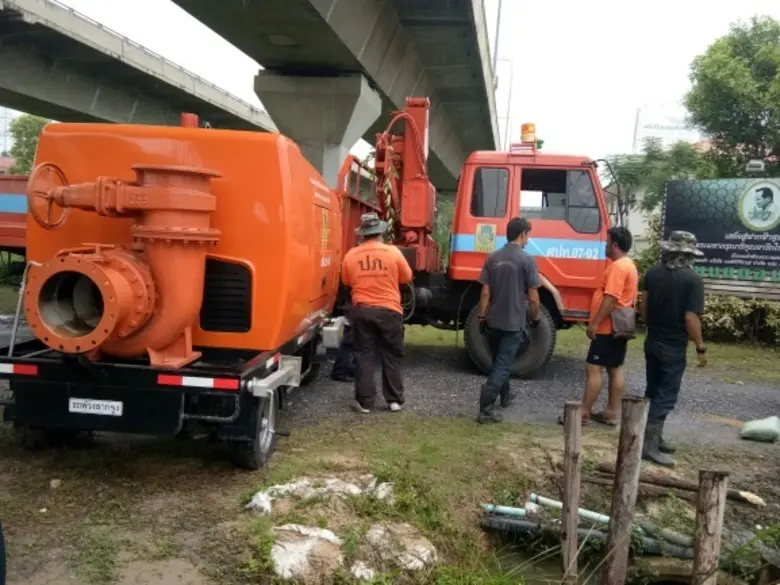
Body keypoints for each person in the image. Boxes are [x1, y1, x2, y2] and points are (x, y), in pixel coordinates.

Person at [640, 231, 707, 467]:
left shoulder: (653, 273)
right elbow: (691, 318)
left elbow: (644, 305)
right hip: (673, 346)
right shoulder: (693, 280)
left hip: (652, 340)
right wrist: (700, 346)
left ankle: (651, 439)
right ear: (688, 254)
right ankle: (648, 447)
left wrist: (650, 326)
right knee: (666, 396)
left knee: (652, 390)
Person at [562, 226, 638, 426]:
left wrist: (594, 324)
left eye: (607, 241)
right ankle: (611, 413)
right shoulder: (630, 265)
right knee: (615, 367)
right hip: (620, 326)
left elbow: (610, 298)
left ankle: (583, 413)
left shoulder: (618, 267)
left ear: (614, 245)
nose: (604, 244)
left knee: (593, 368)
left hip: (607, 327)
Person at [340, 213, 413, 413]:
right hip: (390, 310)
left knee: (364, 355)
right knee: (392, 354)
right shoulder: (393, 252)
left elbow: (346, 282)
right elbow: (406, 277)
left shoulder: (351, 255)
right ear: (381, 232)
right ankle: (394, 400)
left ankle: (365, 403)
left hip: (362, 310)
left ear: (362, 234)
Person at [476, 217, 541, 424]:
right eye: (527, 235)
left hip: (493, 321)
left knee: (498, 361)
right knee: (503, 365)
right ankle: (485, 408)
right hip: (513, 323)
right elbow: (533, 296)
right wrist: (536, 316)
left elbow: (485, 292)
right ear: (522, 234)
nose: (528, 239)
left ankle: (505, 396)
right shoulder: (527, 260)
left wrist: (482, 316)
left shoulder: (493, 258)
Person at [330, 288, 356, 383]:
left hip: (352, 305)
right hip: (356, 306)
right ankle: (340, 372)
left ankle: (348, 370)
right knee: (351, 342)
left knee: (352, 341)